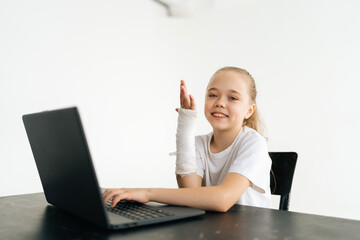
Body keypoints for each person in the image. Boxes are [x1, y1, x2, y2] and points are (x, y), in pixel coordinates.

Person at [103, 66, 271, 212]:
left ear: (249, 110)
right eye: (212, 95)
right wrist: (186, 124)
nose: (220, 102)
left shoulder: (254, 143)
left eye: (232, 98)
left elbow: (223, 199)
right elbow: (191, 192)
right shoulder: (198, 144)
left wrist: (147, 193)